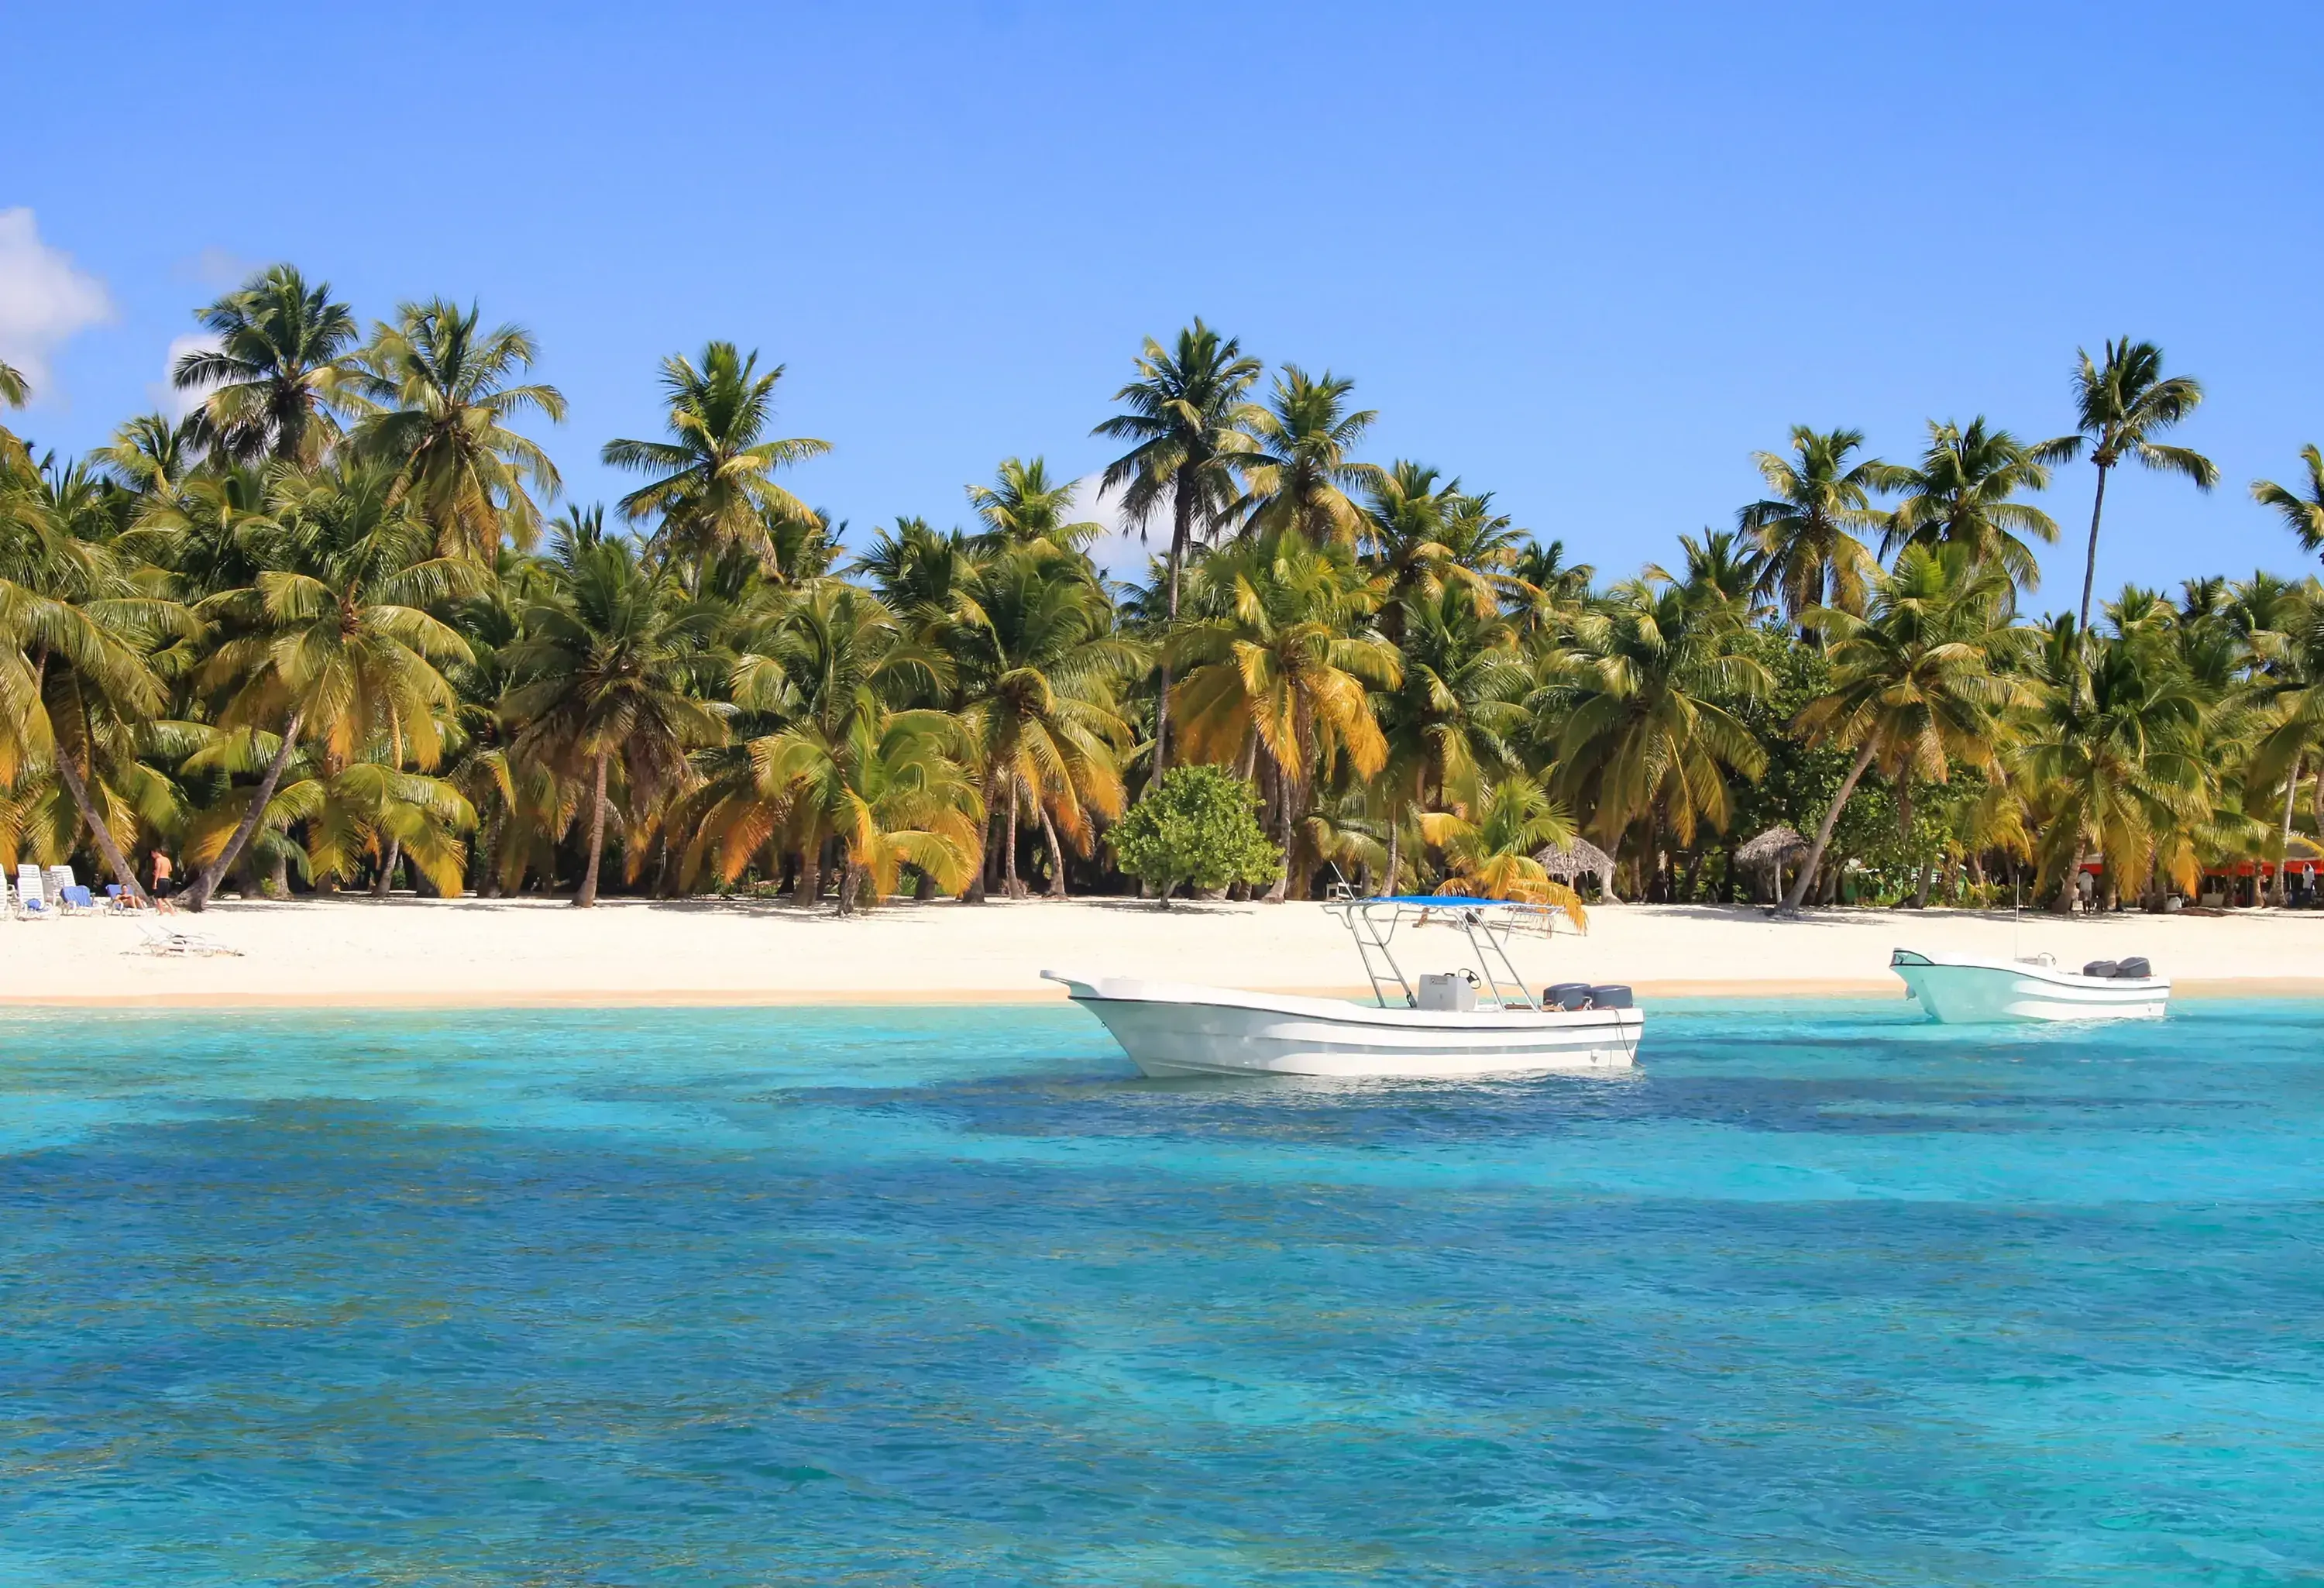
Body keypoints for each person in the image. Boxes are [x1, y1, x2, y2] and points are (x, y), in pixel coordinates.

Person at [150, 849, 177, 913]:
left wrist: (155, 882)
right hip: (167, 879)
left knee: (158, 897)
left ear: (156, 852)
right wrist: (164, 871)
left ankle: (161, 912)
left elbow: (158, 870)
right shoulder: (167, 859)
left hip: (160, 879)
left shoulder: (158, 860)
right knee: (164, 897)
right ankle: (172, 909)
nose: (152, 856)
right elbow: (170, 869)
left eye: (152, 854)